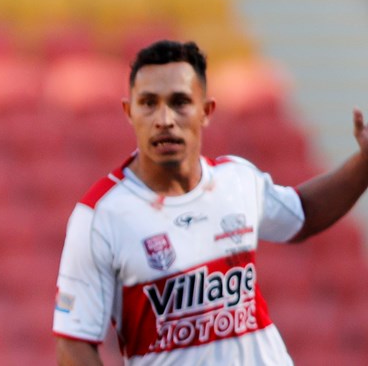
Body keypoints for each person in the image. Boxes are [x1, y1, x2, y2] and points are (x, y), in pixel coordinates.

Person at [53, 40, 368, 365]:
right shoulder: (100, 217)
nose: (164, 119)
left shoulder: (236, 179)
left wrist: (364, 164)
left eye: (180, 102)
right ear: (129, 112)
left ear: (206, 111)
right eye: (148, 103)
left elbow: (302, 214)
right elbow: (73, 344)